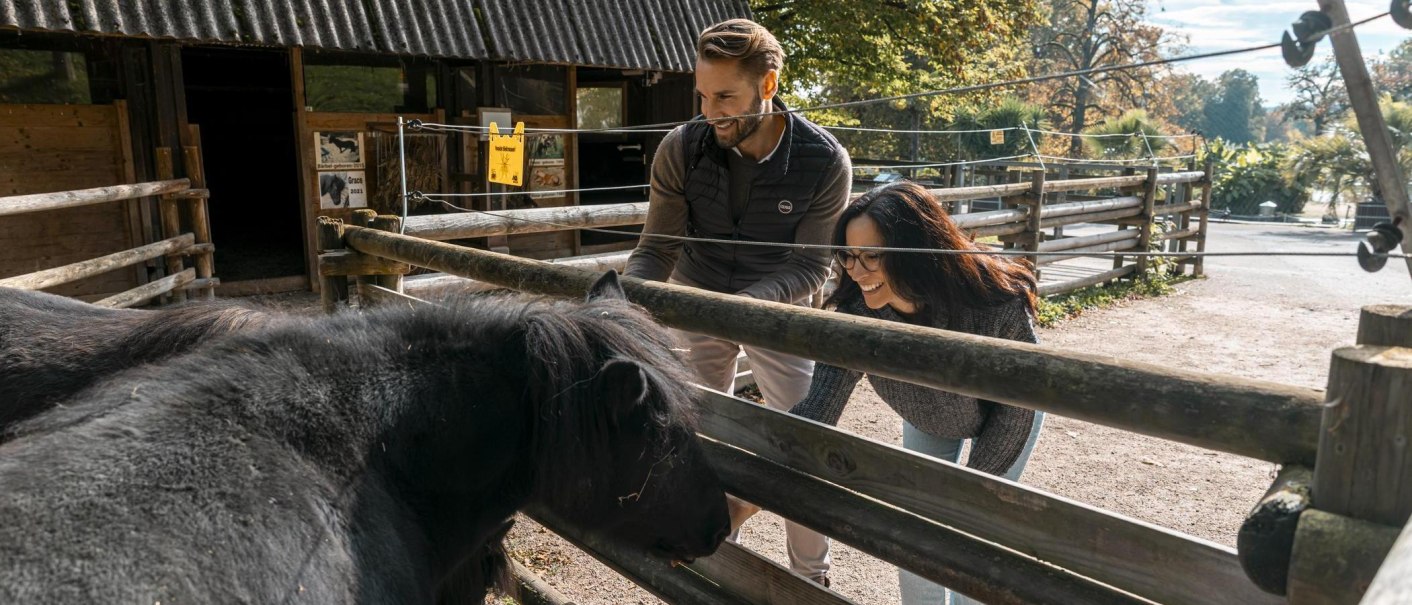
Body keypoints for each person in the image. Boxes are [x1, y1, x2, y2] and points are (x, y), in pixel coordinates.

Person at [624, 18, 852, 586]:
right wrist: (622, 302)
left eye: (725, 96)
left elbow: (811, 265)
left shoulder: (825, 161)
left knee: (803, 438)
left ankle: (810, 579)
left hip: (781, 312)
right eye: (703, 95)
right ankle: (716, 559)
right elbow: (656, 250)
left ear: (768, 85)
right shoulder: (682, 148)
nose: (710, 110)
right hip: (698, 296)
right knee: (698, 428)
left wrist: (746, 304)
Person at [787, 181, 1046, 605]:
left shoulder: (993, 303)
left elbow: (1018, 404)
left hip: (1006, 415)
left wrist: (972, 497)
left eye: (871, 256)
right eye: (849, 255)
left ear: (917, 252)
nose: (855, 270)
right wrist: (749, 479)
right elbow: (817, 411)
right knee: (914, 533)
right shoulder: (857, 317)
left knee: (974, 537)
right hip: (928, 413)